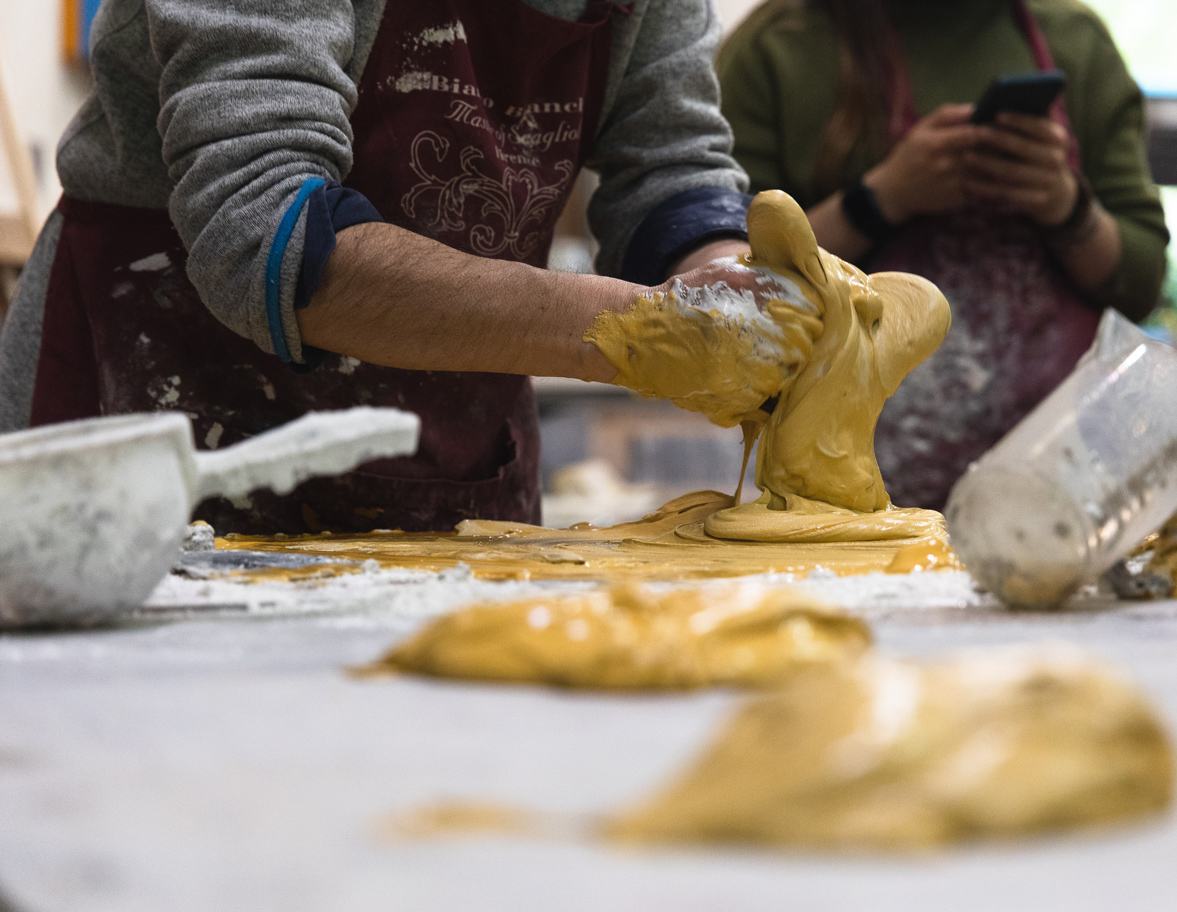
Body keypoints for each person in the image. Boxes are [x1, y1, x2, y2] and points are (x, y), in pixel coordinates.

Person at [0, 0, 819, 534]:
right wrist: (644, 334)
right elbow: (265, 230)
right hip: (157, 406)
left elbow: (669, 171)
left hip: (450, 456)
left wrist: (728, 283)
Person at [717, 0, 1170, 509]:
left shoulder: (1076, 42)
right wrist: (881, 200)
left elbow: (1140, 281)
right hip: (843, 500)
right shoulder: (780, 48)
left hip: (1067, 492)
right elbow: (727, 293)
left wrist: (1066, 207)